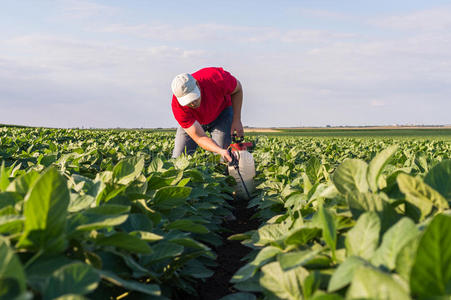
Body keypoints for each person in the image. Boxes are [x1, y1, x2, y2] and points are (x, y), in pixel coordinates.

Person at [171, 67, 244, 162]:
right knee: (178, 159)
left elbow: (237, 89)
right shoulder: (178, 107)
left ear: (197, 84)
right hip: (195, 121)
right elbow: (200, 137)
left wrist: (236, 119)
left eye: (194, 98)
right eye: (188, 102)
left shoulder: (216, 79)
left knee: (223, 159)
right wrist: (219, 150)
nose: (192, 104)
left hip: (221, 113)